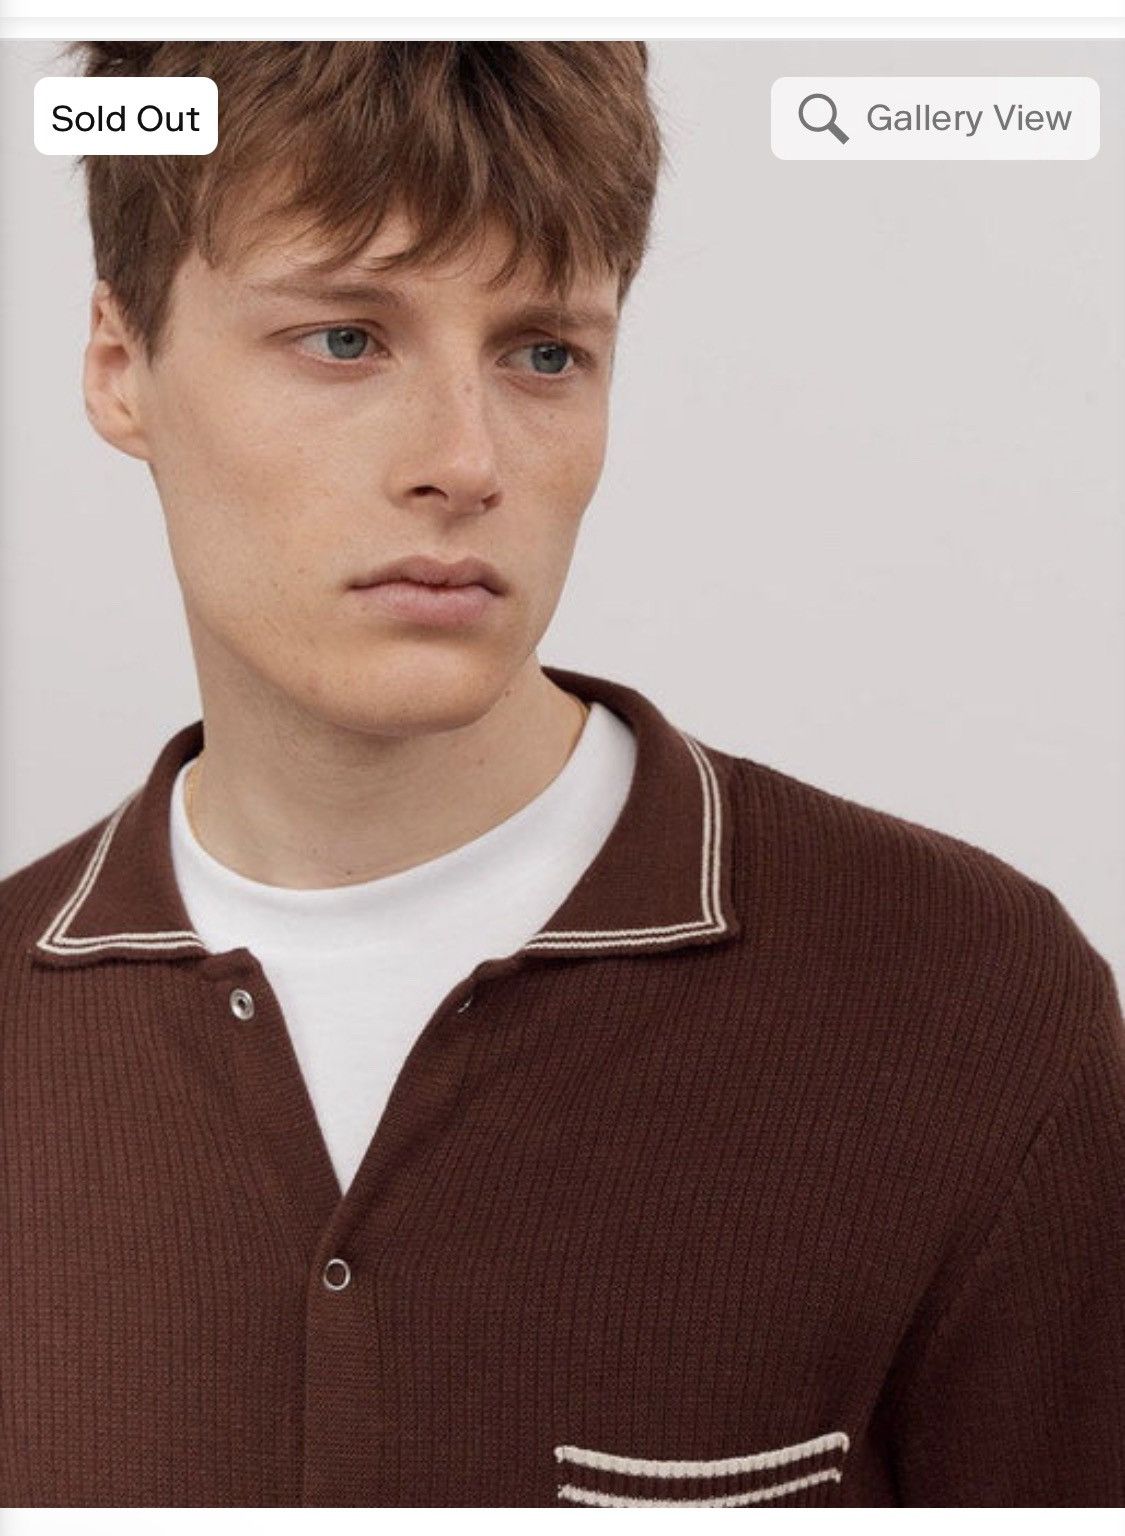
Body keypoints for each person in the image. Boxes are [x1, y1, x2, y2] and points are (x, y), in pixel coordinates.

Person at [1, 40, 1122, 1510]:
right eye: (344, 337)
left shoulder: (967, 998)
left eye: (543, 353)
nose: (463, 460)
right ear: (118, 366)